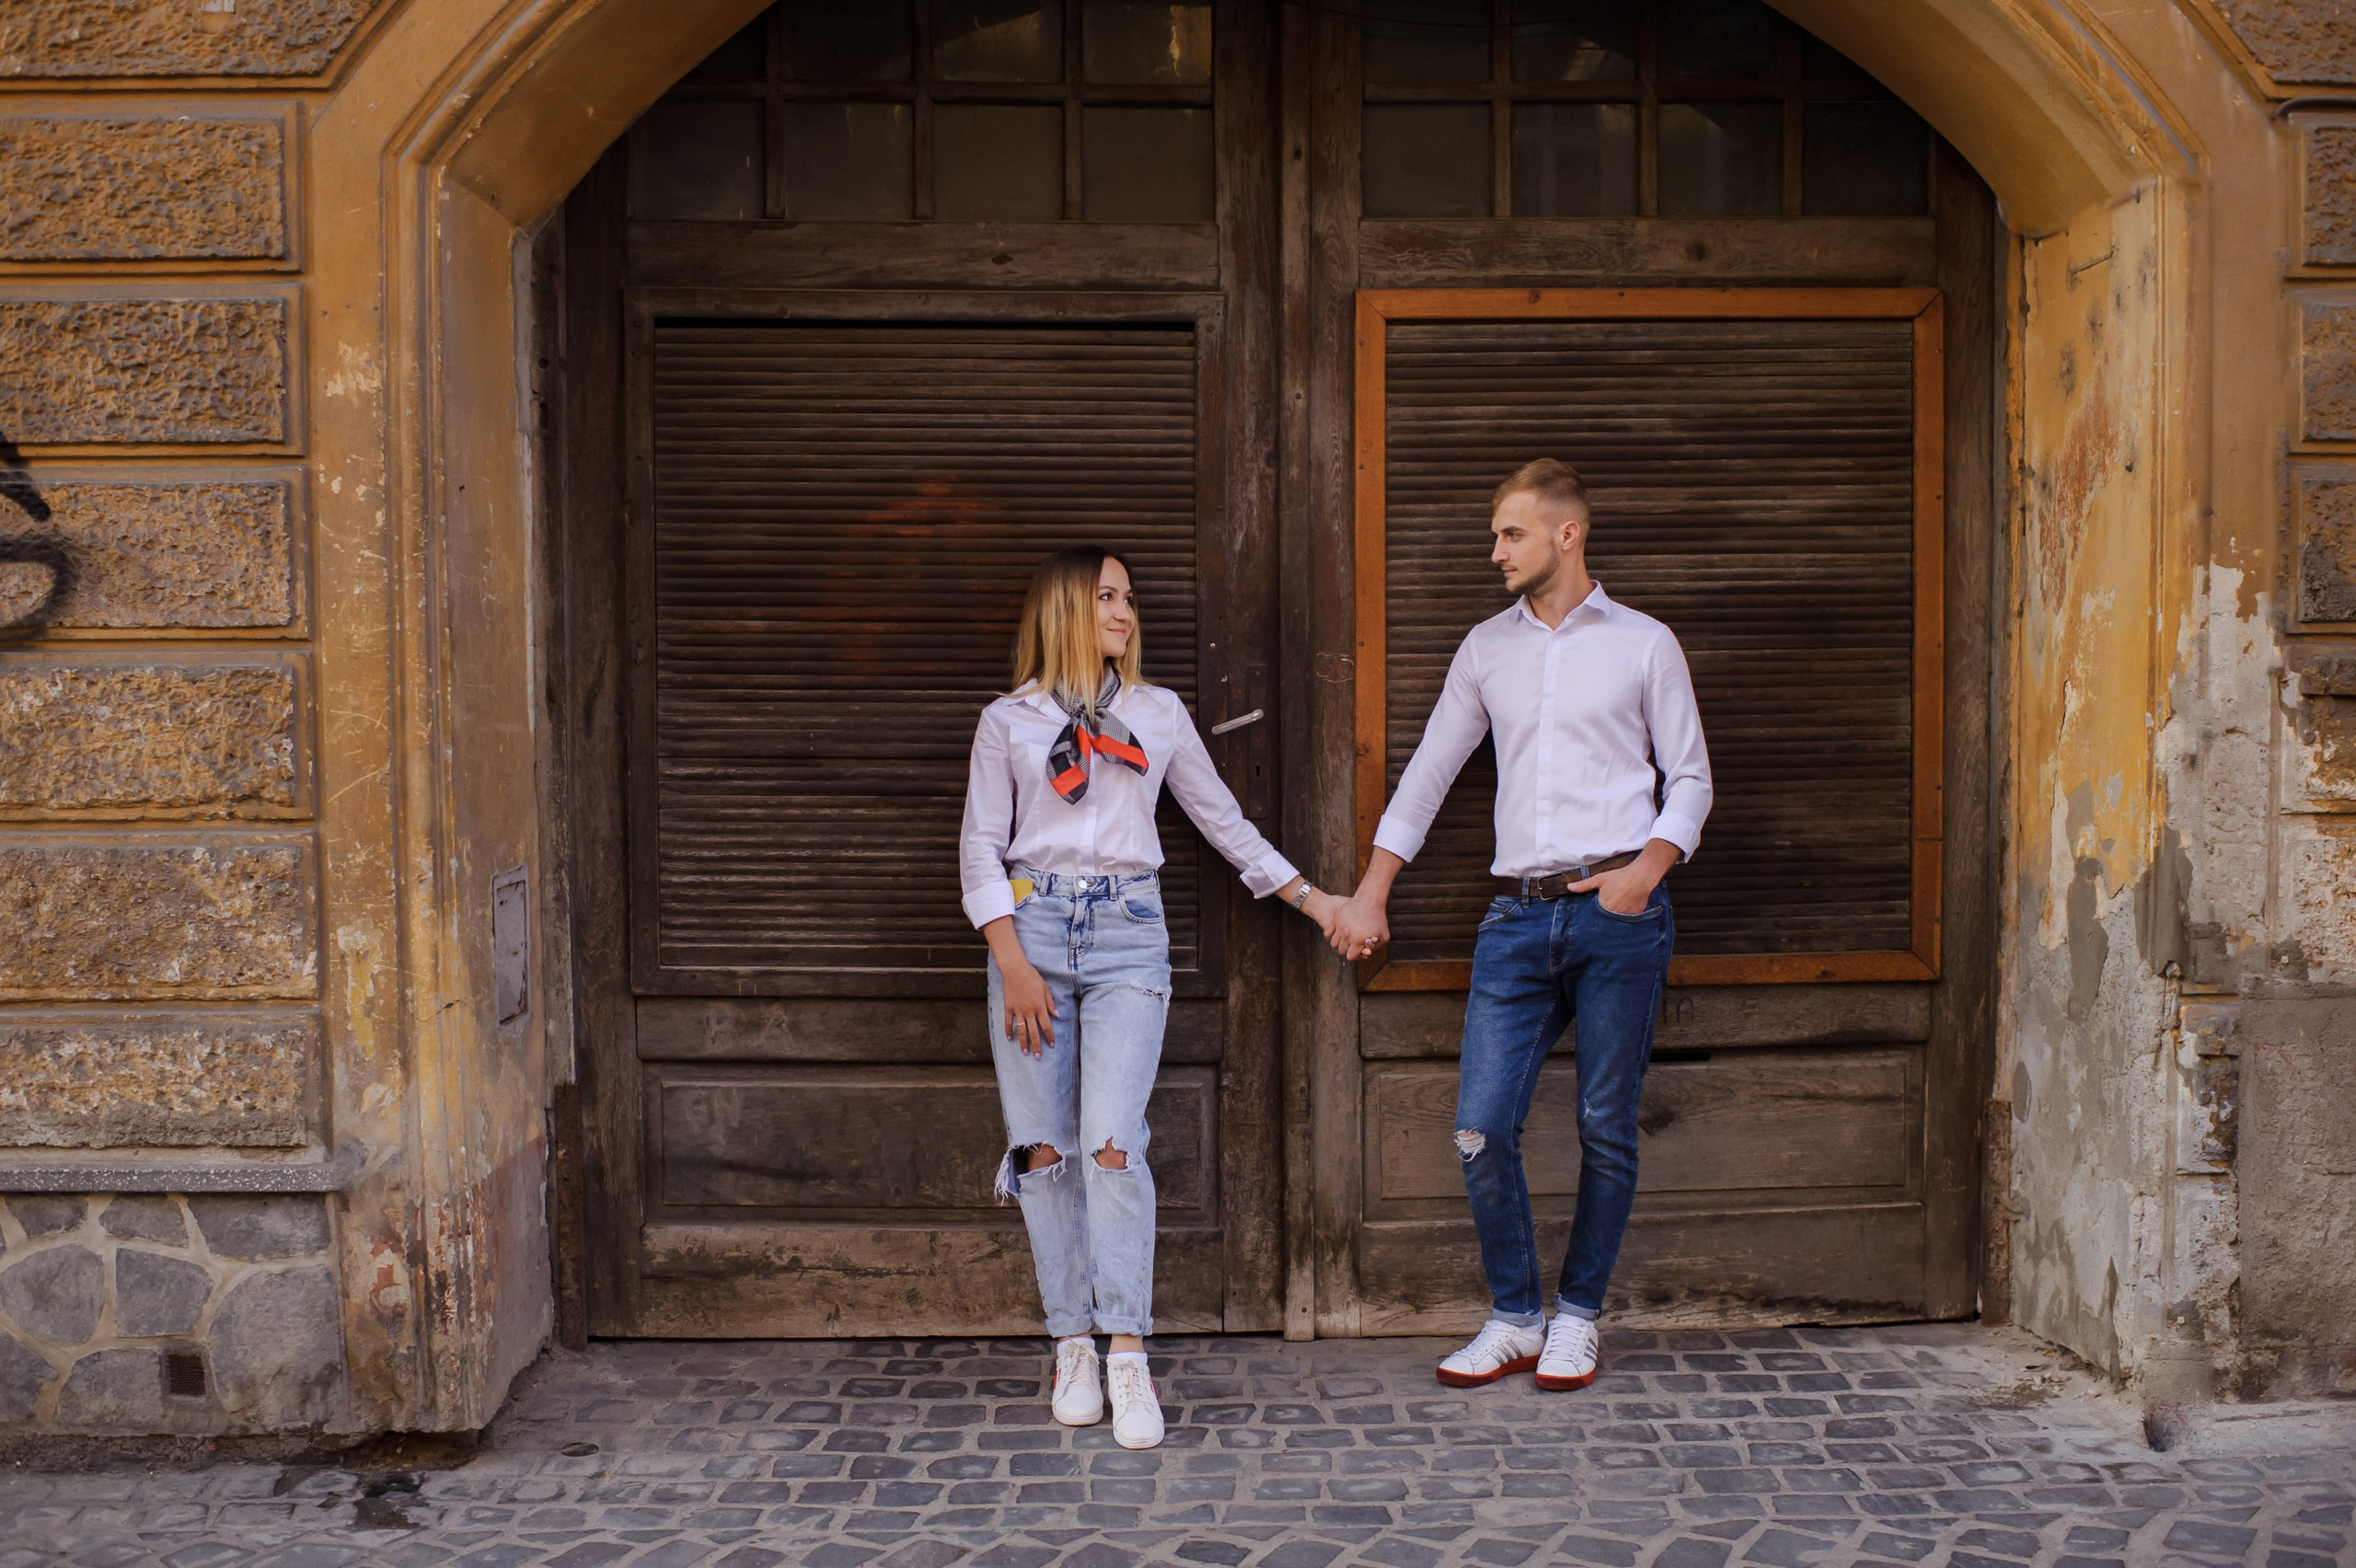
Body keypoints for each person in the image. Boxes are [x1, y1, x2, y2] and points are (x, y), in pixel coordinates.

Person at [1327, 459, 1712, 1392]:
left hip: (1618, 917)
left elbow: (1691, 779)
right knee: (1477, 1128)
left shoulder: (1644, 644)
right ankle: (1513, 1316)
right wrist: (1372, 891)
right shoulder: (1484, 649)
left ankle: (1576, 1317)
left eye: (1510, 534)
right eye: (1496, 534)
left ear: (1565, 536)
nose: (1493, 550)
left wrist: (1642, 876)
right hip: (1513, 920)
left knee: (1604, 1127)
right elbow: (1428, 776)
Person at [960, 545, 1345, 1448]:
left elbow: (1224, 825)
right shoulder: (1007, 723)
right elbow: (982, 845)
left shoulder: (1157, 715)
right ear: (1063, 609)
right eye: (1106, 597)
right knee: (1044, 1152)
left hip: (1130, 933)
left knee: (1112, 1146)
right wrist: (1010, 958)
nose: (1124, 612)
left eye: (1128, 597)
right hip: (1031, 934)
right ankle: (1072, 1344)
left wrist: (1315, 898)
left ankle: (1126, 1349)